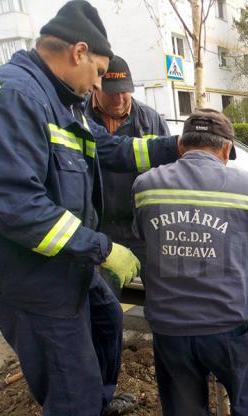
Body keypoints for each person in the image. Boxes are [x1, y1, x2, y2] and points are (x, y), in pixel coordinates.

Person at [0, 1, 182, 416]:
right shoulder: (16, 98)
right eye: (98, 72)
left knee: (108, 317)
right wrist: (103, 248)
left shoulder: (59, 99)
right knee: (70, 395)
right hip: (29, 281)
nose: (99, 85)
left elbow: (109, 148)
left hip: (64, 268)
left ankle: (101, 401)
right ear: (78, 51)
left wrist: (175, 146)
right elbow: (15, 207)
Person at [132, 109, 248, 416]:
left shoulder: (146, 185)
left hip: (170, 326)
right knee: (247, 401)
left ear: (181, 146)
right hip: (229, 325)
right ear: (228, 149)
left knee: (183, 402)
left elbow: (143, 238)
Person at [85, 54, 170, 296]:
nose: (119, 98)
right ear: (95, 87)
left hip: (142, 229)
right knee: (102, 301)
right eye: (111, 91)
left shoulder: (150, 119)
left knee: (161, 295)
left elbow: (166, 173)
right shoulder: (77, 118)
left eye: (125, 91)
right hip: (98, 229)